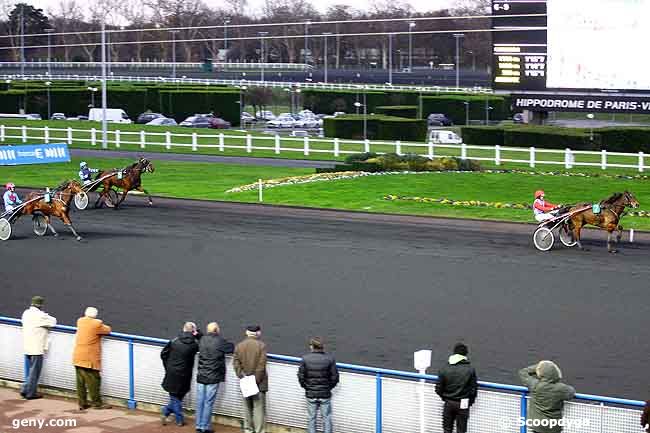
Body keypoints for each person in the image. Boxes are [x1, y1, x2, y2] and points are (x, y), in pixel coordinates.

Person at [195, 322, 234, 433]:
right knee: (208, 402)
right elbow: (231, 348)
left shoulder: (202, 339)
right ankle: (205, 426)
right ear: (217, 330)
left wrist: (198, 333)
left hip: (201, 375)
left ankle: (198, 425)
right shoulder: (220, 341)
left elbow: (200, 337)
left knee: (200, 401)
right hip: (213, 376)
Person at [161, 321, 202, 427]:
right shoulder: (194, 345)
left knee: (175, 397)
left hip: (172, 373)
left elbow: (163, 354)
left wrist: (168, 367)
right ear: (193, 331)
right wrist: (198, 334)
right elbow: (204, 342)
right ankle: (179, 419)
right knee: (178, 396)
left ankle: (166, 411)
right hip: (185, 374)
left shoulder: (174, 341)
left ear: (183, 329)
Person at [72, 307, 112, 410]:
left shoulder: (80, 321)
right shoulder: (96, 324)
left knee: (80, 382)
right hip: (89, 358)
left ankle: (82, 403)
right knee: (94, 381)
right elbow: (108, 330)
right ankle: (97, 403)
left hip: (78, 355)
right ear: (95, 315)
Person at [519, 361, 575, 433]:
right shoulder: (561, 389)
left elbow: (523, 372)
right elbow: (571, 392)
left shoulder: (535, 385)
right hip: (554, 426)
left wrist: (539, 367)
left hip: (537, 424)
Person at [297, 337, 339, 433]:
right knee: (326, 417)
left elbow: (301, 377)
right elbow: (335, 377)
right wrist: (328, 387)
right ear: (322, 347)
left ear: (311, 347)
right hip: (325, 393)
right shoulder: (330, 359)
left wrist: (306, 387)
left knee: (311, 417)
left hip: (311, 393)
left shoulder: (305, 359)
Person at [435, 343, 478, 433]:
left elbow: (438, 389)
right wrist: (470, 402)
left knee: (447, 429)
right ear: (465, 354)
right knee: (461, 430)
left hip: (448, 402)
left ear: (454, 353)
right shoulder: (470, 369)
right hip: (463, 403)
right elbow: (473, 390)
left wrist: (445, 398)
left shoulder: (444, 368)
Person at [20, 296, 57, 400]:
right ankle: (30, 393)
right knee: (34, 371)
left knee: (31, 370)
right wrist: (46, 315)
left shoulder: (26, 313)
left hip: (27, 346)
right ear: (41, 305)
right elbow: (54, 322)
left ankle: (25, 389)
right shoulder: (40, 316)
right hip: (37, 348)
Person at [233, 325, 268, 433]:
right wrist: (255, 381)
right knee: (258, 409)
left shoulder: (239, 346)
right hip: (259, 383)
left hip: (245, 381)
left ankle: (248, 429)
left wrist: (242, 376)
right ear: (258, 333)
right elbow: (261, 365)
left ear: (246, 333)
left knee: (247, 407)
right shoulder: (261, 346)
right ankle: (259, 430)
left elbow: (236, 363)